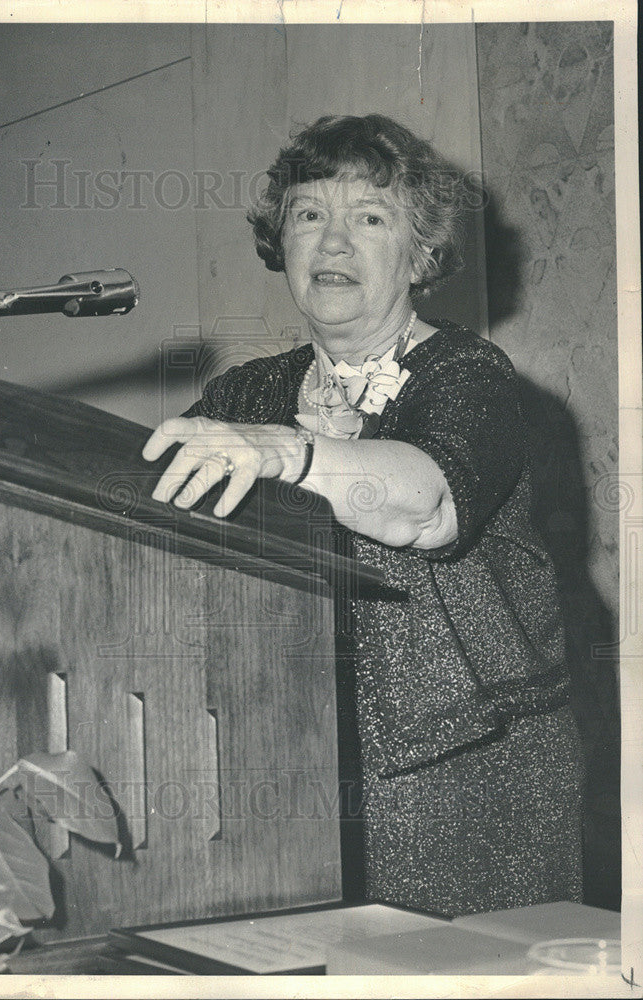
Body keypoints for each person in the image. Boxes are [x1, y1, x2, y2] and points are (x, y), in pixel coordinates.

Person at [142, 114, 583, 917]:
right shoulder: (246, 394)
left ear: (420, 256)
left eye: (368, 218)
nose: (332, 242)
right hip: (288, 746)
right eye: (309, 214)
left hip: (467, 761)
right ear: (282, 242)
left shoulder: (465, 374)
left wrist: (290, 454)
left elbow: (426, 504)